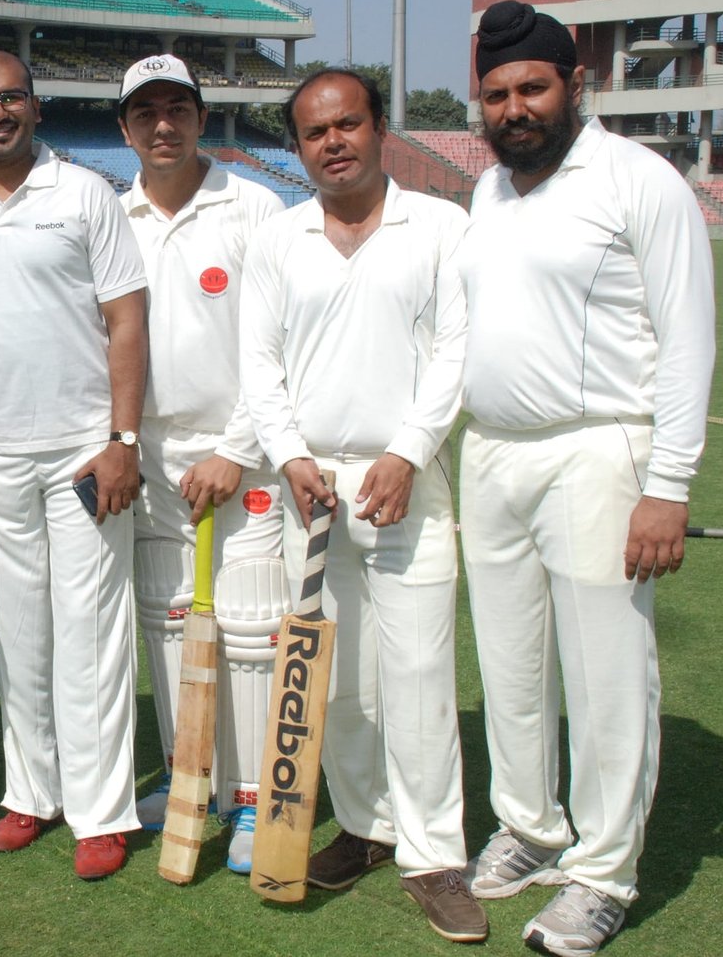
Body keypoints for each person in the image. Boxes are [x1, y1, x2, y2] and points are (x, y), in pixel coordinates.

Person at [456, 1, 716, 957]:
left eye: (533, 88)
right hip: (490, 453)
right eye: (497, 94)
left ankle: (603, 873)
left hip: (600, 448)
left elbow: (688, 343)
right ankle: (530, 824)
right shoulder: (488, 193)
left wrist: (669, 484)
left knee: (607, 676)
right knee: (512, 666)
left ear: (575, 86)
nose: (515, 108)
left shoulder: (639, 181)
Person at [239, 68, 483, 942]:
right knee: (330, 676)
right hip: (312, 490)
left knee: (418, 677)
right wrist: (292, 455)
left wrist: (411, 449)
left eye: (348, 123)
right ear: (298, 146)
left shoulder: (441, 226)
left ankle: (434, 855)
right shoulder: (279, 237)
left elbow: (457, 351)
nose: (333, 141)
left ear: (381, 128)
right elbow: (258, 363)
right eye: (314, 131)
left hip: (404, 483)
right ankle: (368, 825)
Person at [0, 50, 149, 881]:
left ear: (36, 108)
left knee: (90, 634)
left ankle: (101, 810)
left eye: (11, 97)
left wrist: (123, 441)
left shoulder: (86, 193)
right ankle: (31, 792)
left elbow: (127, 319)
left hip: (88, 451)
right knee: (17, 633)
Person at [114, 53, 288, 873]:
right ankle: (195, 776)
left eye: (176, 108)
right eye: (145, 112)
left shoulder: (254, 207)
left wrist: (237, 448)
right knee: (168, 616)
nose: (162, 125)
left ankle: (251, 798)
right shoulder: (111, 217)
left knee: (251, 626)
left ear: (199, 116)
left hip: (240, 453)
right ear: (124, 127)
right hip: (148, 454)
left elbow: (278, 347)